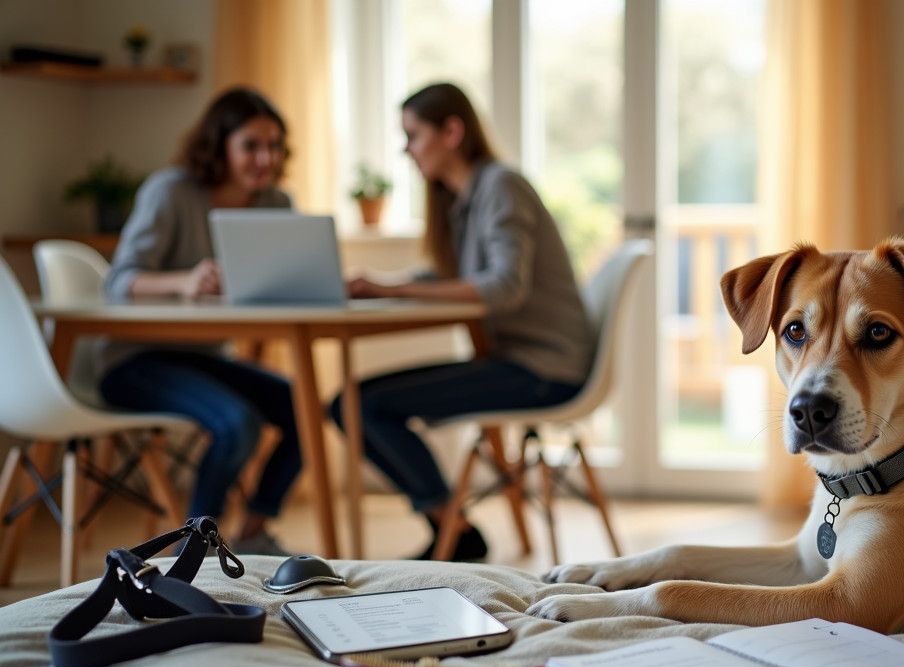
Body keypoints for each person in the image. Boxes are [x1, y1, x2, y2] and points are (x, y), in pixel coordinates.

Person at [330, 82, 594, 561]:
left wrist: (393, 291)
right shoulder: (464, 199)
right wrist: (384, 283)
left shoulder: (501, 186)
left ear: (452, 132)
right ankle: (453, 527)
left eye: (413, 135)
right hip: (517, 362)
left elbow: (503, 287)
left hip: (543, 369)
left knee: (358, 404)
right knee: (350, 403)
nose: (406, 149)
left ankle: (452, 527)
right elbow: (454, 275)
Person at [97, 87, 302, 556]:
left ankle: (253, 531)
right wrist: (183, 281)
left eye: (274, 146)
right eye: (251, 145)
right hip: (134, 361)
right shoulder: (170, 192)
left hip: (204, 358)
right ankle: (196, 549)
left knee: (304, 407)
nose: (266, 159)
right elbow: (118, 281)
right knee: (238, 422)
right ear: (219, 145)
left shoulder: (275, 205)